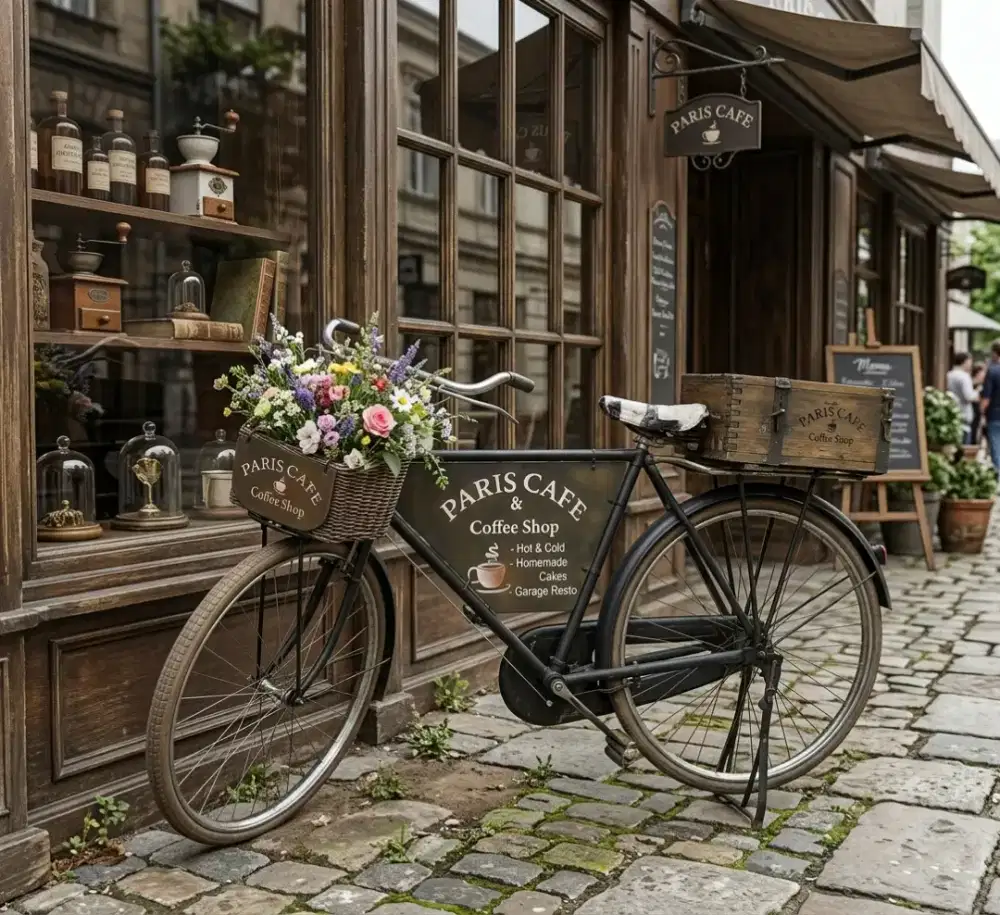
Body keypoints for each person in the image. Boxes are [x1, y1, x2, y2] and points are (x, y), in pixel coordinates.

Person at [947, 352, 979, 445]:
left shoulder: (950, 374)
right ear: (965, 362)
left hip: (953, 412)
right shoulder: (964, 377)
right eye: (970, 362)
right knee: (964, 447)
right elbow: (969, 396)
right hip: (964, 415)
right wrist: (978, 392)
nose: (971, 364)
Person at [980, 340, 1000, 473]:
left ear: (994, 353)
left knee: (996, 449)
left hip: (995, 415)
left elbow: (986, 398)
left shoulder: (992, 371)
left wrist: (982, 414)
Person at [971, 362, 986, 445]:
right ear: (978, 373)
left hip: (978, 413)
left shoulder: (982, 384)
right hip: (973, 412)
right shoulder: (972, 383)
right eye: (983, 372)